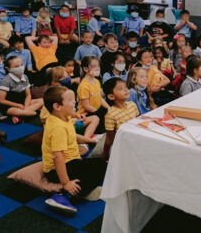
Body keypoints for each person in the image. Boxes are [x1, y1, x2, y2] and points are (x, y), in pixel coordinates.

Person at [42, 86, 107, 214]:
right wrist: (66, 183)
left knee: (96, 164)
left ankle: (80, 189)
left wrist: (91, 140)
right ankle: (64, 196)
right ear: (57, 106)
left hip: (72, 161)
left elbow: (72, 136)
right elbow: (58, 157)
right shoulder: (58, 128)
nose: (74, 102)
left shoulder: (63, 117)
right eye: (70, 100)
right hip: (58, 169)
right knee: (102, 166)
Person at [41, 67, 101, 145]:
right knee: (68, 132)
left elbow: (70, 110)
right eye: (64, 78)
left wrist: (77, 115)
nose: (68, 79)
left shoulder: (66, 92)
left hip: (71, 122)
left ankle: (84, 141)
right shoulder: (52, 98)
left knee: (95, 118)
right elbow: (43, 119)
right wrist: (65, 121)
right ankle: (88, 140)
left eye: (67, 76)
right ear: (54, 82)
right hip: (59, 128)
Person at [0, 56, 43, 123]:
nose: (20, 67)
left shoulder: (25, 77)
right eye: (16, 66)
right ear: (8, 69)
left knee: (42, 101)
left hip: (23, 103)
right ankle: (34, 113)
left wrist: (26, 106)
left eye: (22, 65)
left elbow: (28, 95)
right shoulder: (6, 80)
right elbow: (1, 100)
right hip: (10, 106)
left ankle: (21, 116)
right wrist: (18, 105)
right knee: (20, 112)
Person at [103, 78, 138, 160]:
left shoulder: (132, 105)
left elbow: (136, 124)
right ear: (111, 96)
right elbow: (109, 138)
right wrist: (105, 156)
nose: (126, 90)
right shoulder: (110, 115)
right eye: (120, 89)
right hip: (122, 145)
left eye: (126, 87)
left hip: (135, 140)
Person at [77, 56, 110, 125]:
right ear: (86, 69)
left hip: (96, 111)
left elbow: (99, 98)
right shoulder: (84, 86)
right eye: (94, 66)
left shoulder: (97, 81)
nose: (98, 68)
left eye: (98, 66)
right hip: (86, 115)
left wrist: (109, 108)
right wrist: (99, 113)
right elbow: (86, 106)